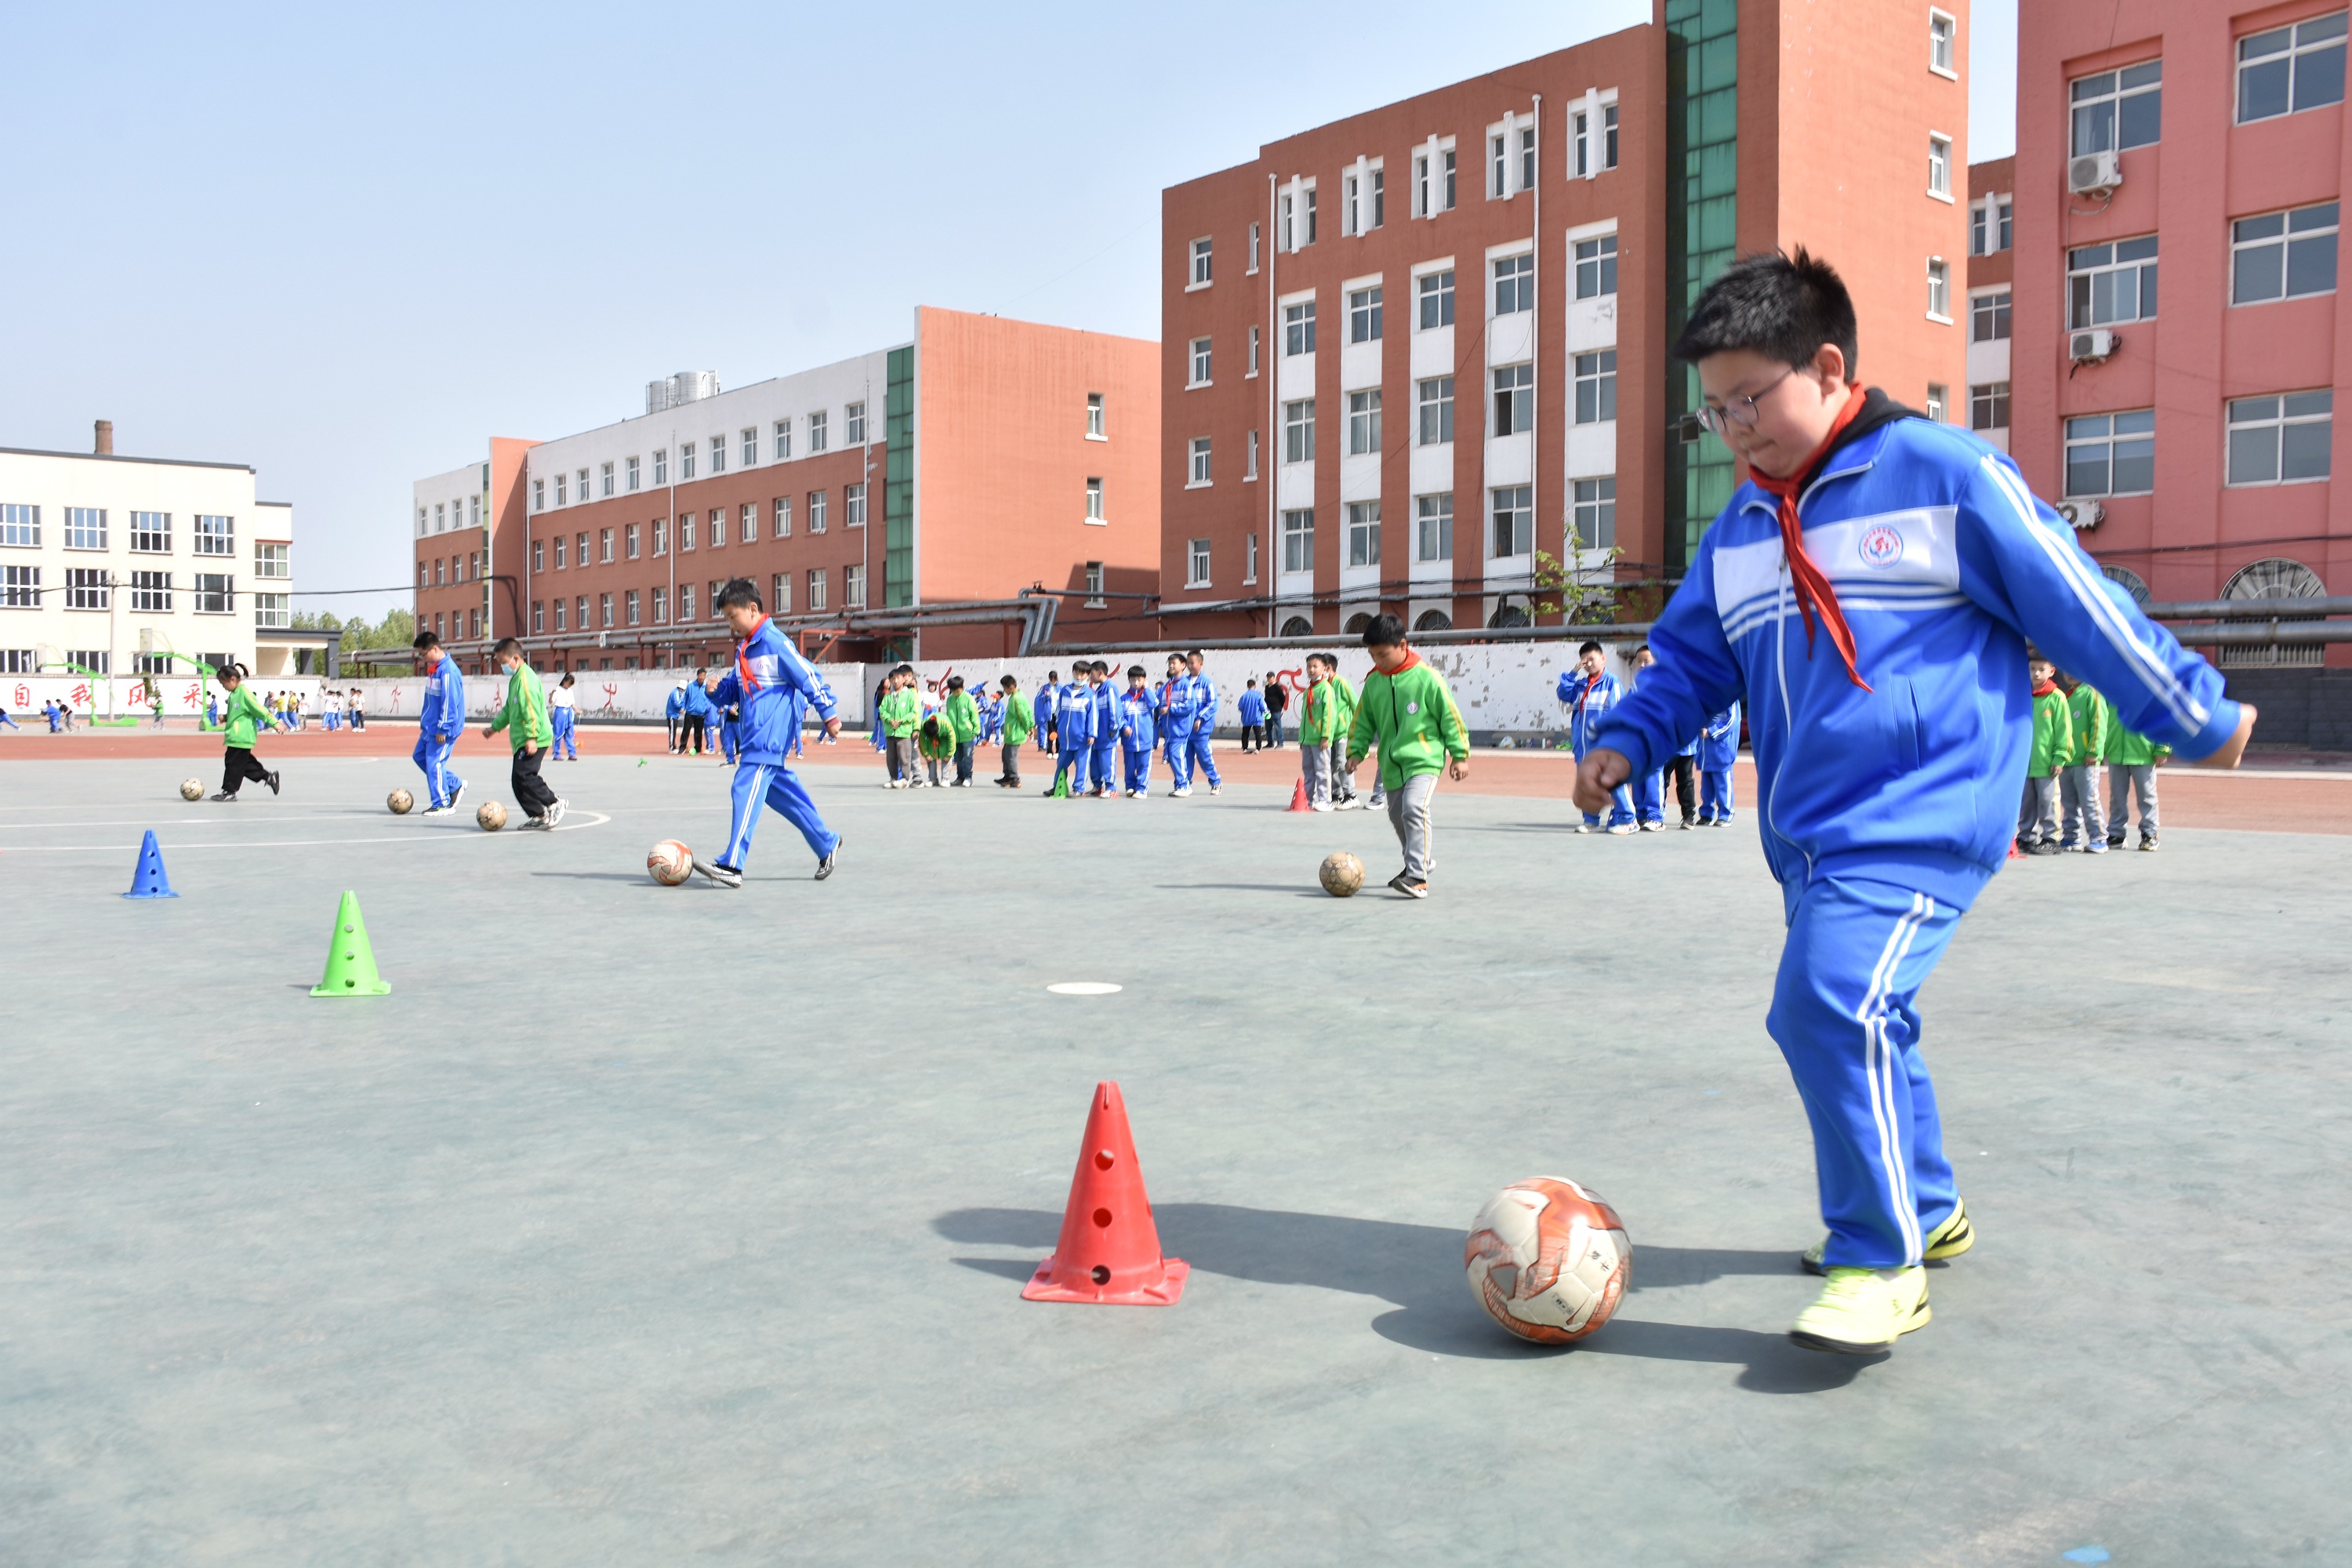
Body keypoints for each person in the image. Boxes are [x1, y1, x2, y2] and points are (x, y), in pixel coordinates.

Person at [1575, 246, 2253, 1356]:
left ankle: (1878, 1259)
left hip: (1925, 812)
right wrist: (1626, 740)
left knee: (1827, 1003)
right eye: (1715, 412)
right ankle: (1928, 1207)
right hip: (1809, 837)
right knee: (1864, 1011)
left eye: (1751, 400)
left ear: (1827, 367)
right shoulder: (1741, 529)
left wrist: (2195, 710)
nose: (1735, 430)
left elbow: (2076, 602)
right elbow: (1692, 660)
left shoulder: (1944, 476)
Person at [692, 579, 844, 886]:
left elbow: (808, 675)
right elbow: (736, 690)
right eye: (727, 618)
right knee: (785, 797)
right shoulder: (745, 651)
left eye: (733, 616)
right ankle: (826, 842)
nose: (731, 624)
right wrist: (716, 691)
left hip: (767, 739)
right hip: (754, 739)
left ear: (752, 609)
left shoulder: (776, 643)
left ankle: (732, 865)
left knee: (744, 788)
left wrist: (829, 713)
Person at [1343, 615, 1470, 898]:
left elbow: (1451, 718)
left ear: (1402, 645)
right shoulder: (1374, 682)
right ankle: (1420, 861)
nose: (1378, 660)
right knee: (1396, 815)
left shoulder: (1427, 678)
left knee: (1414, 808)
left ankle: (1417, 877)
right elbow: (1363, 721)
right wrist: (1356, 751)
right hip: (1391, 765)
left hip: (1424, 760)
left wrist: (1459, 755)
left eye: (1383, 654)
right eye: (1373, 655)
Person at [481, 637, 564, 829]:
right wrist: (494, 728)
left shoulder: (526, 680)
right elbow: (509, 710)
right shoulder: (515, 680)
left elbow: (531, 711)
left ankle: (554, 802)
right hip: (522, 739)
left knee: (525, 774)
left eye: (503, 662)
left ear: (516, 659)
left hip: (536, 738)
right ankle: (538, 815)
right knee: (517, 781)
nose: (502, 667)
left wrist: (532, 737)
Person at [1558, 641, 1635, 834]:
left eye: (1592, 659)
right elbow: (1563, 693)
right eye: (1584, 661)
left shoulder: (1611, 682)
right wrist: (1573, 672)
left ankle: (1629, 820)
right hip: (1583, 747)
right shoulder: (1580, 685)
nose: (1589, 664)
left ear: (1603, 658)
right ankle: (1591, 821)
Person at [2016, 655, 2073, 855]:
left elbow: (2064, 730)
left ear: (2052, 671)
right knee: (2027, 803)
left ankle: (2051, 837)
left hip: (2047, 763)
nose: (2036, 674)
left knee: (2048, 801)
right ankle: (2025, 837)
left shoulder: (2057, 697)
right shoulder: (2023, 695)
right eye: (2032, 669)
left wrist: (2060, 757)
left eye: (2041, 669)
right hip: (2026, 763)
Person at [209, 662, 286, 800]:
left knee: (234, 764)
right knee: (243, 764)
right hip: (235, 736)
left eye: (223, 683)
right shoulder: (234, 694)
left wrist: (275, 723)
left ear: (232, 679)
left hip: (242, 736)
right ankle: (269, 777)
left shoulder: (244, 693)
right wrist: (226, 717)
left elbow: (259, 710)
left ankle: (230, 792)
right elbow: (238, 713)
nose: (223, 687)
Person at [412, 631, 467, 815]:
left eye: (423, 654)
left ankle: (442, 803)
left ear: (434, 649)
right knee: (420, 757)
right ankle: (454, 784)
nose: (423, 659)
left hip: (442, 730)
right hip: (430, 728)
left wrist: (444, 728)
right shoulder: (435, 669)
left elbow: (449, 702)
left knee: (434, 763)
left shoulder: (448, 671)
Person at [2105, 701, 2168, 852]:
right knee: (2117, 797)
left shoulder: (2148, 694)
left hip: (2143, 753)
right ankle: (2116, 834)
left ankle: (2150, 833)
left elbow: (2162, 720)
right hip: (2116, 752)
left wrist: (2162, 749)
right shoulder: (2111, 694)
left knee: (2147, 796)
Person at [2057, 672, 2107, 853]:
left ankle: (2099, 837)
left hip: (2086, 760)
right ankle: (2071, 837)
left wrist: (2093, 751)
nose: (2069, 674)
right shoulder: (2068, 696)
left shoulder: (2092, 693)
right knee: (2068, 801)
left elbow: (2099, 724)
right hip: (2068, 760)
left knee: (2089, 799)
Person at [1298, 653, 1343, 811]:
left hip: (1320, 740)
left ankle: (1326, 800)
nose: (1311, 670)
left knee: (1323, 771)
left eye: (1315, 666)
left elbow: (1329, 715)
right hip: (1308, 739)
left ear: (1324, 669)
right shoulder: (1308, 691)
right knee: (1308, 771)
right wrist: (1302, 738)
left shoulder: (1326, 689)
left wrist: (1326, 736)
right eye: (1309, 666)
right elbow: (1304, 717)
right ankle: (1308, 799)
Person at [1048, 664, 1093, 796]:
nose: (1078, 677)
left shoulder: (1090, 695)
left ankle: (1079, 788)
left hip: (1081, 739)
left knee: (1081, 765)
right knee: (1061, 763)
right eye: (1076, 673)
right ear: (1072, 672)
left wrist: (1092, 734)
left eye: (1082, 674)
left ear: (1088, 676)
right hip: (1066, 738)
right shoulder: (1065, 690)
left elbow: (1093, 717)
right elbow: (1059, 710)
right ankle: (1057, 787)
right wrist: (1059, 727)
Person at [1183, 650, 1223, 794]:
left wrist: (1200, 718)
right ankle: (1185, 784)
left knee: (1204, 757)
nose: (1190, 666)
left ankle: (1216, 782)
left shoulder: (1207, 683)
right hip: (1186, 730)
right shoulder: (1184, 682)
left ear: (1201, 664)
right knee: (1185, 758)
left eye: (1192, 663)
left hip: (1201, 731)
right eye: (1188, 663)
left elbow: (1212, 704)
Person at [1116, 664, 1158, 797]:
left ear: (1144, 680)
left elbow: (1154, 704)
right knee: (1129, 766)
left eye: (1139, 680)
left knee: (1143, 766)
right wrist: (1124, 726)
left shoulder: (1147, 696)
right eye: (1133, 680)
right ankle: (1130, 786)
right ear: (1129, 680)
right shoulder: (1123, 699)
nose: (1136, 683)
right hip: (1129, 740)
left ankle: (1142, 788)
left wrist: (1146, 689)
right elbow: (1119, 716)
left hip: (1145, 739)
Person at [1156, 654, 1194, 795]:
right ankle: (1179, 784)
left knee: (1176, 756)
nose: (1171, 666)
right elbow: (1159, 705)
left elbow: (1189, 706)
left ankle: (1184, 785)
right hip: (1169, 731)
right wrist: (1161, 725)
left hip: (1180, 729)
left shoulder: (1186, 685)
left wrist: (1171, 709)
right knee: (1172, 758)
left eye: (1174, 663)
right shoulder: (1167, 686)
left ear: (1183, 665)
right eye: (1169, 663)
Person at [1698, 703, 1741, 825]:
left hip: (1722, 750)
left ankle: (1725, 814)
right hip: (1706, 751)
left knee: (1723, 784)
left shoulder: (1731, 698)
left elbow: (1733, 720)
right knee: (1706, 787)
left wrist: (1711, 732)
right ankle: (1706, 814)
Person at [943, 675, 981, 787]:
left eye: (958, 690)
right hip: (954, 735)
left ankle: (968, 777)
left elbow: (975, 716)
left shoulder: (969, 699)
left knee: (967, 757)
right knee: (958, 758)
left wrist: (975, 731)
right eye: (953, 691)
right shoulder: (949, 700)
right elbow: (948, 716)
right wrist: (947, 731)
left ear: (962, 687)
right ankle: (960, 777)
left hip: (967, 734)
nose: (956, 693)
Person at [997, 674, 1032, 787]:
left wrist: (1028, 728)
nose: (1004, 691)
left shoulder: (1016, 698)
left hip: (1015, 733)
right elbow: (1029, 710)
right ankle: (1007, 776)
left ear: (1011, 687)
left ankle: (1015, 778)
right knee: (1005, 755)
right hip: (1010, 733)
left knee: (1011, 757)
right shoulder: (1017, 696)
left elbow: (1024, 716)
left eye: (1005, 688)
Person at [680, 670, 713, 756]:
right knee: (686, 730)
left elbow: (709, 699)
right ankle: (682, 747)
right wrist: (683, 707)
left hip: (701, 713)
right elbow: (685, 698)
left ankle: (698, 748)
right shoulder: (690, 686)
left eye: (703, 676)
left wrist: (706, 709)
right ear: (697, 675)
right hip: (690, 712)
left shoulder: (706, 686)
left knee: (698, 732)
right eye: (700, 675)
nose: (702, 677)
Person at [550, 672, 579, 760]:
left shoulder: (570, 691)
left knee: (570, 734)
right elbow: (551, 702)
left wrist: (577, 710)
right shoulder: (558, 689)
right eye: (569, 684)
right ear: (565, 681)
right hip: (560, 712)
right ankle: (556, 753)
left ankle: (572, 753)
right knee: (558, 733)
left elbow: (572, 703)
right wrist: (552, 694)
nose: (569, 686)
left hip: (569, 712)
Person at [1034, 670, 1061, 759]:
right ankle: (1049, 751)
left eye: (1054, 678)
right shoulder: (1045, 688)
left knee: (1058, 732)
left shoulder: (1061, 687)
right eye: (1051, 679)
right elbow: (1040, 698)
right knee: (1050, 732)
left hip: (1058, 713)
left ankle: (1058, 751)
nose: (1053, 680)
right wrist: (1046, 696)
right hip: (1049, 713)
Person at [1238, 678, 1268, 752]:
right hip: (1257, 717)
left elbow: (1240, 707)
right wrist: (1267, 712)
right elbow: (1263, 706)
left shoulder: (1244, 696)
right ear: (1255, 686)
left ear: (1247, 686)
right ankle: (1258, 748)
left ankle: (1245, 747)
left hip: (1246, 717)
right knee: (1258, 733)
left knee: (1245, 733)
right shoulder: (1259, 695)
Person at [1262, 670, 1288, 749]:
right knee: (1268, 727)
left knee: (1277, 726)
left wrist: (1280, 707)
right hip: (1268, 710)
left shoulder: (1277, 687)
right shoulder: (1267, 687)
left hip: (1276, 710)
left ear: (1274, 678)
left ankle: (1280, 743)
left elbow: (1283, 697)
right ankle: (1270, 742)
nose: (1269, 679)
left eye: (1270, 677)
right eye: (1268, 677)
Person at [666, 678, 689, 753]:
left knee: (674, 731)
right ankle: (672, 747)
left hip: (675, 715)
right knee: (672, 732)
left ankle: (673, 746)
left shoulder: (678, 693)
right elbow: (677, 703)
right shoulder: (675, 693)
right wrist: (683, 706)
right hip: (672, 715)